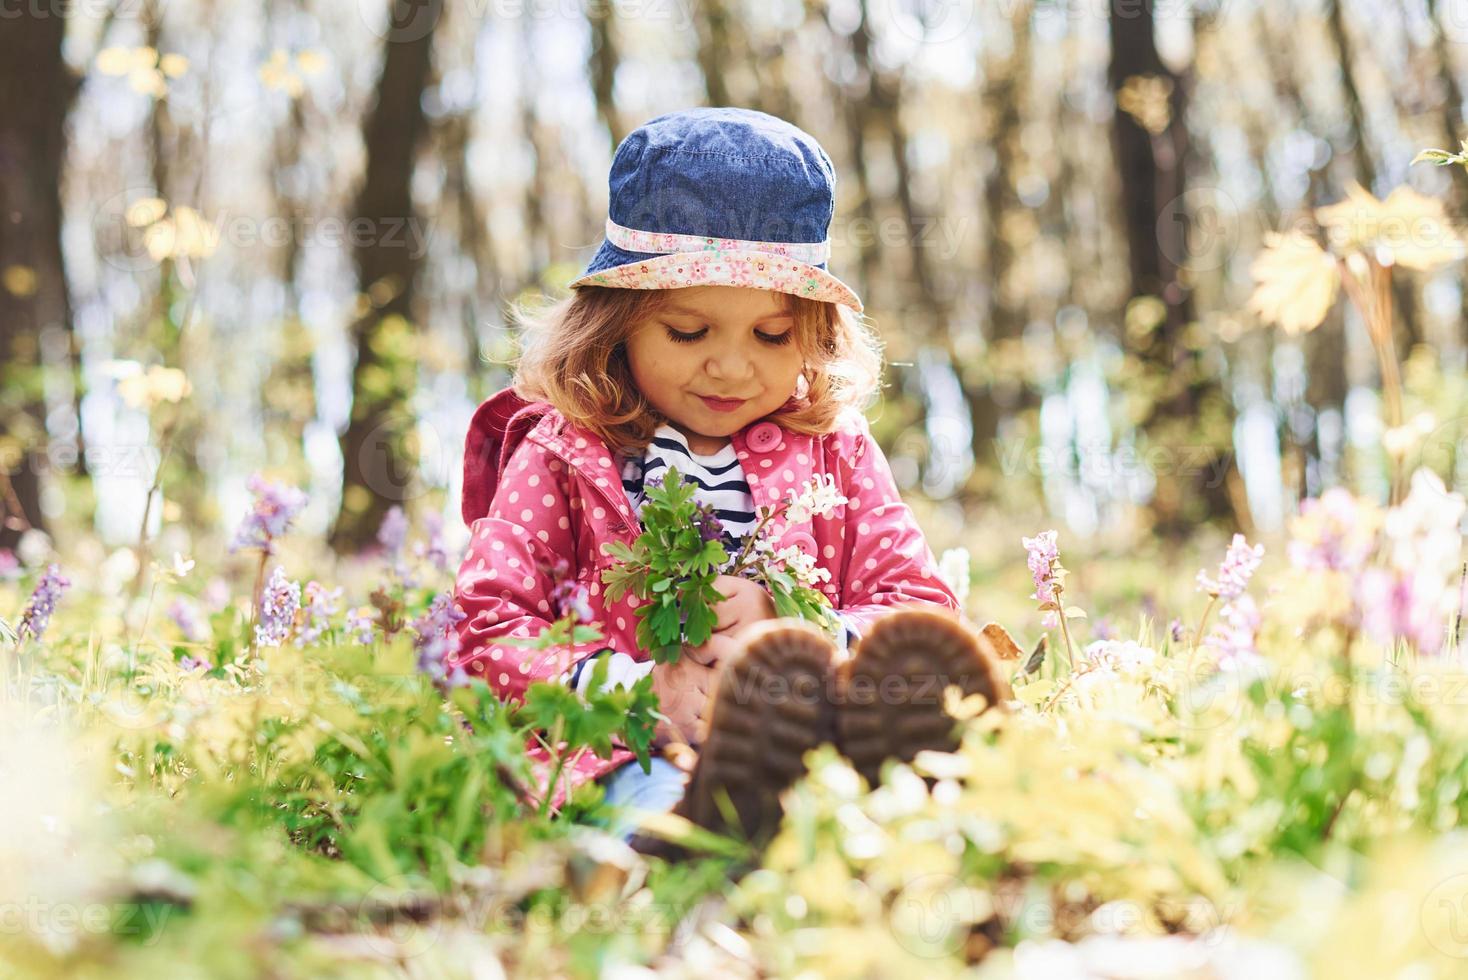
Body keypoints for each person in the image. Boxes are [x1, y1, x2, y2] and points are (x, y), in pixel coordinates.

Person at [451, 107, 1008, 853]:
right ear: (614, 324)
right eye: (689, 332)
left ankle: (872, 801)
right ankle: (694, 838)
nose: (732, 365)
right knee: (654, 798)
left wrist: (801, 627)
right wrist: (643, 694)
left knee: (858, 769)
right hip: (625, 746)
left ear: (812, 333)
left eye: (771, 335)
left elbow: (913, 603)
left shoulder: (832, 448)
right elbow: (485, 626)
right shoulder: (565, 452)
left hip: (808, 732)